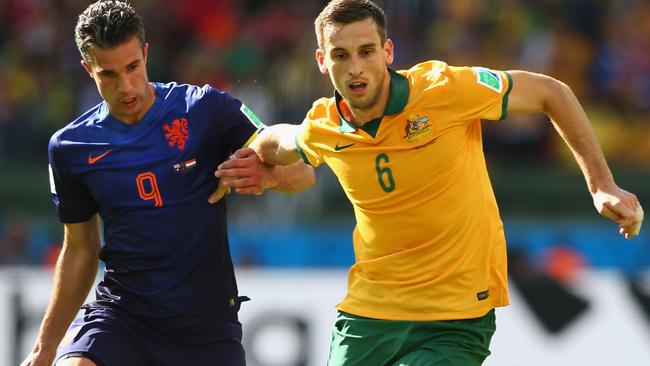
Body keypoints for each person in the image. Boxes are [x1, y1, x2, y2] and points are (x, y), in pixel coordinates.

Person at [217, 0, 644, 365]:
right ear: (322, 61)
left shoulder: (444, 90)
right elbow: (283, 143)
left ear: (388, 51)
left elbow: (552, 92)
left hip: (454, 318)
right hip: (369, 314)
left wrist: (601, 184)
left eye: (366, 51)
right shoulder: (323, 126)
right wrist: (258, 163)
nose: (355, 68)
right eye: (341, 55)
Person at [21, 1, 314, 366]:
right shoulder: (70, 147)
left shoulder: (204, 108)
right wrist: (44, 348)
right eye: (108, 75)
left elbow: (304, 172)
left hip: (206, 329)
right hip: (123, 318)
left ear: (146, 53)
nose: (126, 86)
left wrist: (268, 175)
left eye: (132, 67)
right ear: (87, 69)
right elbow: (80, 249)